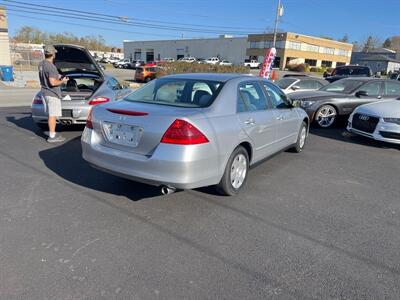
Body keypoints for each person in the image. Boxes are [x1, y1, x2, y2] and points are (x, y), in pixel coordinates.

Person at [38, 45, 68, 143]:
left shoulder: (42, 64)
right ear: (53, 54)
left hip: (45, 91)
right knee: (52, 115)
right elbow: (53, 82)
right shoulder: (51, 66)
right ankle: (52, 136)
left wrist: (58, 76)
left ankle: (52, 134)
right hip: (52, 93)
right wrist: (62, 81)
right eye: (54, 53)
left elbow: (48, 76)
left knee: (52, 115)